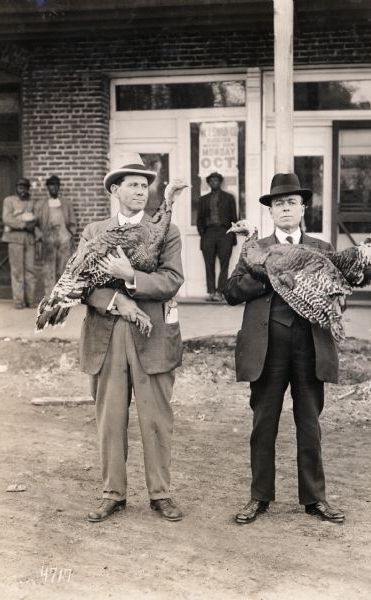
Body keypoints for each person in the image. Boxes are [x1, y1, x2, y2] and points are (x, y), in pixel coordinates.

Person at [224, 173, 345, 525]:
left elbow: (339, 296)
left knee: (309, 425)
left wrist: (329, 301)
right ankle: (259, 497)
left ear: (303, 208)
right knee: (264, 424)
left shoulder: (322, 249)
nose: (286, 209)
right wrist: (269, 272)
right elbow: (231, 291)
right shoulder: (256, 248)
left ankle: (314, 499)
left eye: (292, 202)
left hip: (309, 346)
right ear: (271, 212)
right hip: (268, 346)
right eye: (279, 204)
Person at [80, 158, 184, 524]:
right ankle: (113, 494)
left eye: (145, 186)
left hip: (152, 334)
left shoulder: (165, 230)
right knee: (109, 420)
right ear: (115, 190)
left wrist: (131, 277)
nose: (141, 192)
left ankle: (161, 494)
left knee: (156, 419)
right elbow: (80, 284)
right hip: (106, 335)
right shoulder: (95, 231)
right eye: (133, 185)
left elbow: (172, 279)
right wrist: (117, 301)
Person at [196, 172, 237, 301]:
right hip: (208, 233)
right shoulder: (203, 199)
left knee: (224, 264)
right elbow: (199, 219)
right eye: (212, 181)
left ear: (220, 182)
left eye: (217, 180)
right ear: (208, 183)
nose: (214, 183)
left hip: (225, 233)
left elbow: (234, 218)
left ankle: (220, 292)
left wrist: (231, 234)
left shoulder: (229, 197)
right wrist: (203, 232)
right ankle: (211, 292)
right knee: (209, 264)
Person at [34, 175, 77, 297]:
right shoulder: (41, 204)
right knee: (48, 268)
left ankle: (62, 296)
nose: (54, 188)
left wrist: (70, 234)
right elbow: (35, 225)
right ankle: (49, 296)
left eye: (56, 185)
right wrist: (40, 236)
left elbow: (73, 222)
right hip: (48, 239)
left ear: (59, 187)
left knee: (64, 267)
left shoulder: (66, 204)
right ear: (48, 187)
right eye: (51, 185)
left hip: (64, 238)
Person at [2, 177, 37, 309]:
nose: (23, 190)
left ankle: (31, 300)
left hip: (29, 239)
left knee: (30, 270)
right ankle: (19, 301)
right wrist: (23, 224)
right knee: (17, 271)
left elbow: (35, 219)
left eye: (25, 188)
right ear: (16, 188)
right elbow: (7, 219)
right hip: (14, 239)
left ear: (28, 189)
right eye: (20, 187)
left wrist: (26, 221)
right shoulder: (9, 201)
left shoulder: (32, 203)